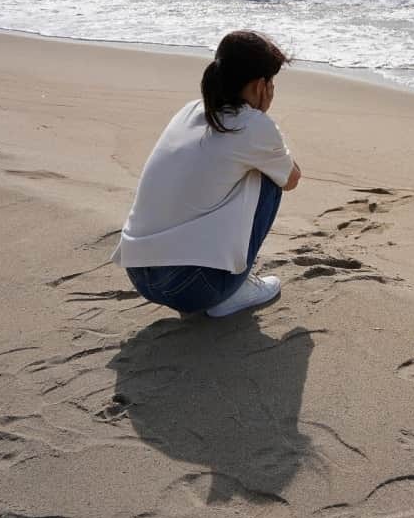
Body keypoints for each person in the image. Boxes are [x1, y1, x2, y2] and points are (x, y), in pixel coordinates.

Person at [112, 30, 301, 318]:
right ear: (259, 85)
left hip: (138, 273)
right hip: (192, 288)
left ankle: (222, 279)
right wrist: (262, 117)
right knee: (268, 179)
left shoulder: (189, 111)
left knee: (236, 172)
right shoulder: (252, 125)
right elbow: (291, 179)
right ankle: (231, 291)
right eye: (270, 81)